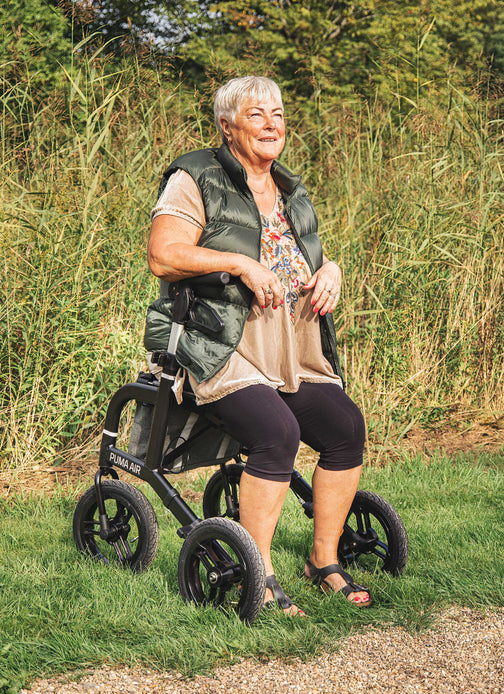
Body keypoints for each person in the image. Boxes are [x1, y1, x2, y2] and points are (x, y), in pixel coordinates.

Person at [146, 76, 369, 616]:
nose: (272, 124)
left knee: (345, 429)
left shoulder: (291, 189)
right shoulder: (194, 177)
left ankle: (323, 560)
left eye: (279, 113)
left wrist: (332, 271)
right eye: (257, 115)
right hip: (224, 349)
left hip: (292, 349)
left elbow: (307, 260)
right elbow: (163, 255)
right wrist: (239, 262)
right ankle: (260, 573)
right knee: (278, 433)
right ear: (228, 127)